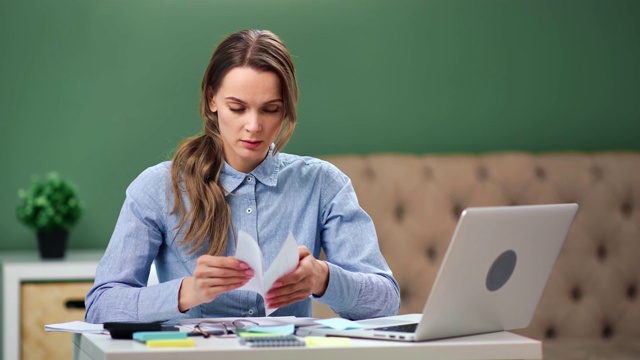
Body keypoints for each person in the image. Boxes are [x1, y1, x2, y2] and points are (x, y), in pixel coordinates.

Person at [85, 29, 400, 323]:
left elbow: (386, 301)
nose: (254, 126)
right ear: (212, 100)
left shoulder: (323, 184)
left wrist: (323, 278)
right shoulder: (157, 188)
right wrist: (187, 292)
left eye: (270, 109)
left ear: (287, 109)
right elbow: (101, 306)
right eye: (237, 108)